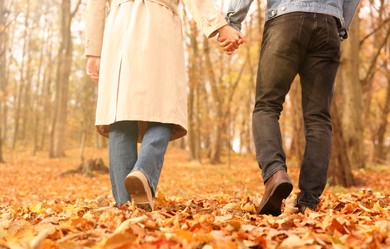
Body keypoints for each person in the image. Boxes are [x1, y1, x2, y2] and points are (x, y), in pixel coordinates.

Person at [85, 0, 245, 211]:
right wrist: (221, 27)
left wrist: (93, 51)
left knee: (120, 116)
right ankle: (143, 172)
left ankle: (124, 206)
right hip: (160, 28)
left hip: (120, 28)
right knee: (163, 112)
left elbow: (95, 5)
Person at [222, 0, 360, 216]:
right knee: (319, 118)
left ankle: (275, 174)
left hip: (286, 19)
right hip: (328, 25)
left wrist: (232, 21)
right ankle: (308, 202)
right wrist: (340, 24)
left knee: (267, 106)